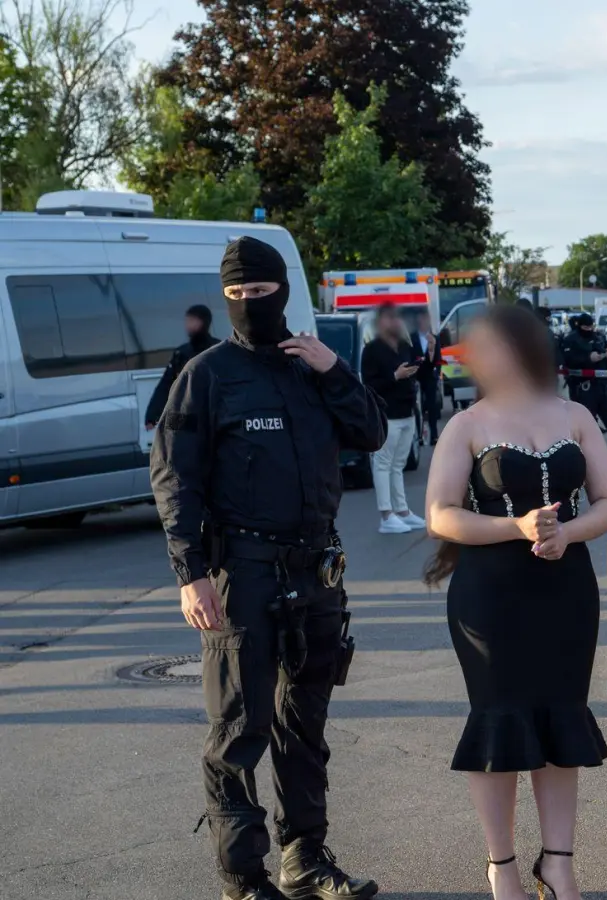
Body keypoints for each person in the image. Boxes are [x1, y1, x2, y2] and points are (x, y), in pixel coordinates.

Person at [149, 236, 387, 900]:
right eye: (239, 296)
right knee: (239, 728)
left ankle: (305, 856)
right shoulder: (208, 374)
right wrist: (189, 572)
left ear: (283, 290)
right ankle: (244, 877)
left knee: (304, 721)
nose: (253, 304)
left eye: (262, 292)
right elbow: (174, 480)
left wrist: (334, 367)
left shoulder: (310, 367)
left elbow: (371, 433)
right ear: (227, 299)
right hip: (242, 573)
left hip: (316, 570)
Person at [422, 305, 607, 900]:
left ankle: (558, 863)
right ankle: (502, 867)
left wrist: (569, 532)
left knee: (561, 720)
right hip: (489, 595)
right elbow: (440, 515)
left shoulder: (578, 415)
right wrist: (519, 527)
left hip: (566, 590)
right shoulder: (467, 424)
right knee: (499, 725)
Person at [362, 304, 424, 534]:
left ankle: (403, 511)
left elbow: (418, 368)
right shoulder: (372, 350)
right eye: (390, 318)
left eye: (397, 318)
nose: (396, 322)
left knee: (398, 465)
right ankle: (386, 515)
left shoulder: (405, 345)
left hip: (407, 412)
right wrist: (394, 376)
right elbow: (368, 385)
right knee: (383, 463)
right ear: (380, 322)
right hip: (387, 415)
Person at [145, 304, 219, 430]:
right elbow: (166, 385)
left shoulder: (218, 350)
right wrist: (152, 415)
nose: (188, 325)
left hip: (213, 415)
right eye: (187, 320)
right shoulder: (181, 353)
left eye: (192, 320)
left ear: (204, 322)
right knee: (172, 433)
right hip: (186, 415)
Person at [561, 313, 607, 433]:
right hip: (583, 389)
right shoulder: (571, 340)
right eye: (586, 328)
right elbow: (567, 360)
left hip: (602, 388)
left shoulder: (599, 337)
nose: (589, 330)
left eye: (590, 327)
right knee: (586, 430)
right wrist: (588, 358)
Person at [411, 312, 444, 445]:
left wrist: (437, 373)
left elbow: (438, 359)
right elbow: (410, 356)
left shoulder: (434, 338)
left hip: (430, 377)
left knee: (432, 406)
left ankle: (434, 435)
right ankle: (419, 436)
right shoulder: (412, 338)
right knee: (418, 407)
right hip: (417, 376)